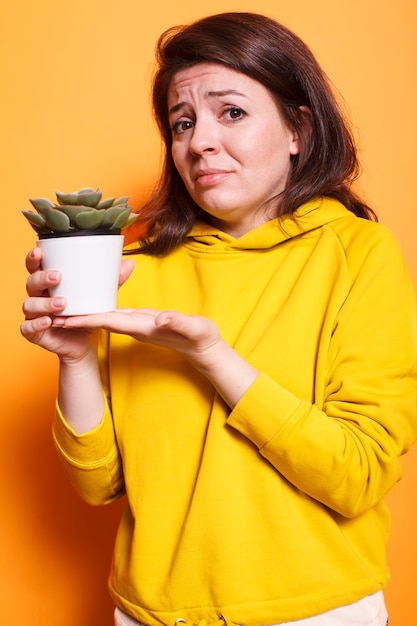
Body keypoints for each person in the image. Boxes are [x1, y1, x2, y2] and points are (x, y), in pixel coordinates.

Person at [21, 11, 416, 626]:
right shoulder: (132, 268)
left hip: (311, 615)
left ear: (297, 129)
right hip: (150, 614)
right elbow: (99, 486)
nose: (199, 140)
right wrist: (74, 357)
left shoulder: (358, 255)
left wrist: (213, 358)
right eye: (183, 122)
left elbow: (358, 476)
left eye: (230, 112)